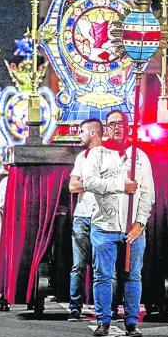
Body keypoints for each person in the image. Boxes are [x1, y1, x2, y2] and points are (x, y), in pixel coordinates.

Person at [82, 110, 155, 337]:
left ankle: (132, 321)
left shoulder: (140, 156)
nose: (117, 128)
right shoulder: (97, 154)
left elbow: (147, 194)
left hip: (133, 229)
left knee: (133, 275)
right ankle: (103, 320)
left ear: (128, 126)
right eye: (112, 124)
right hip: (104, 226)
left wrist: (140, 223)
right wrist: (120, 185)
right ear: (105, 128)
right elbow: (90, 182)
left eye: (121, 123)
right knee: (103, 275)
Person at [67, 118, 102, 321]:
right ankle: (75, 307)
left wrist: (86, 183)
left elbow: (112, 184)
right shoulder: (82, 156)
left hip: (101, 216)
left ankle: (104, 307)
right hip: (81, 215)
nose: (79, 135)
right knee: (78, 265)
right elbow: (73, 186)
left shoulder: (109, 156)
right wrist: (97, 184)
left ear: (92, 133)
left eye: (82, 131)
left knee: (102, 267)